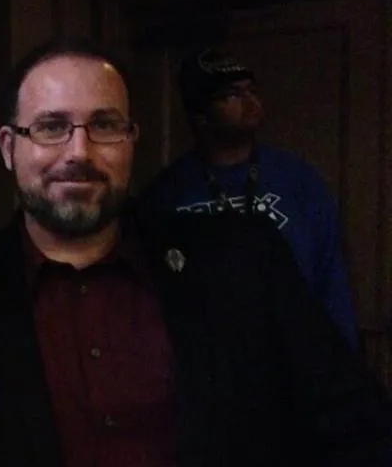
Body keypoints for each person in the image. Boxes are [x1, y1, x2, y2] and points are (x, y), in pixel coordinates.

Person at [0, 37, 392, 467]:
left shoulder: (241, 264)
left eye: (104, 125)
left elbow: (361, 437)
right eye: (51, 126)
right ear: (8, 147)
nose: (78, 151)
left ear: (132, 140)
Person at [142, 48, 358, 346]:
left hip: (294, 351)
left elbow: (331, 277)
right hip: (206, 354)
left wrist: (343, 354)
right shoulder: (167, 192)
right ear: (200, 114)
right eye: (232, 94)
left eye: (252, 90)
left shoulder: (298, 179)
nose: (250, 101)